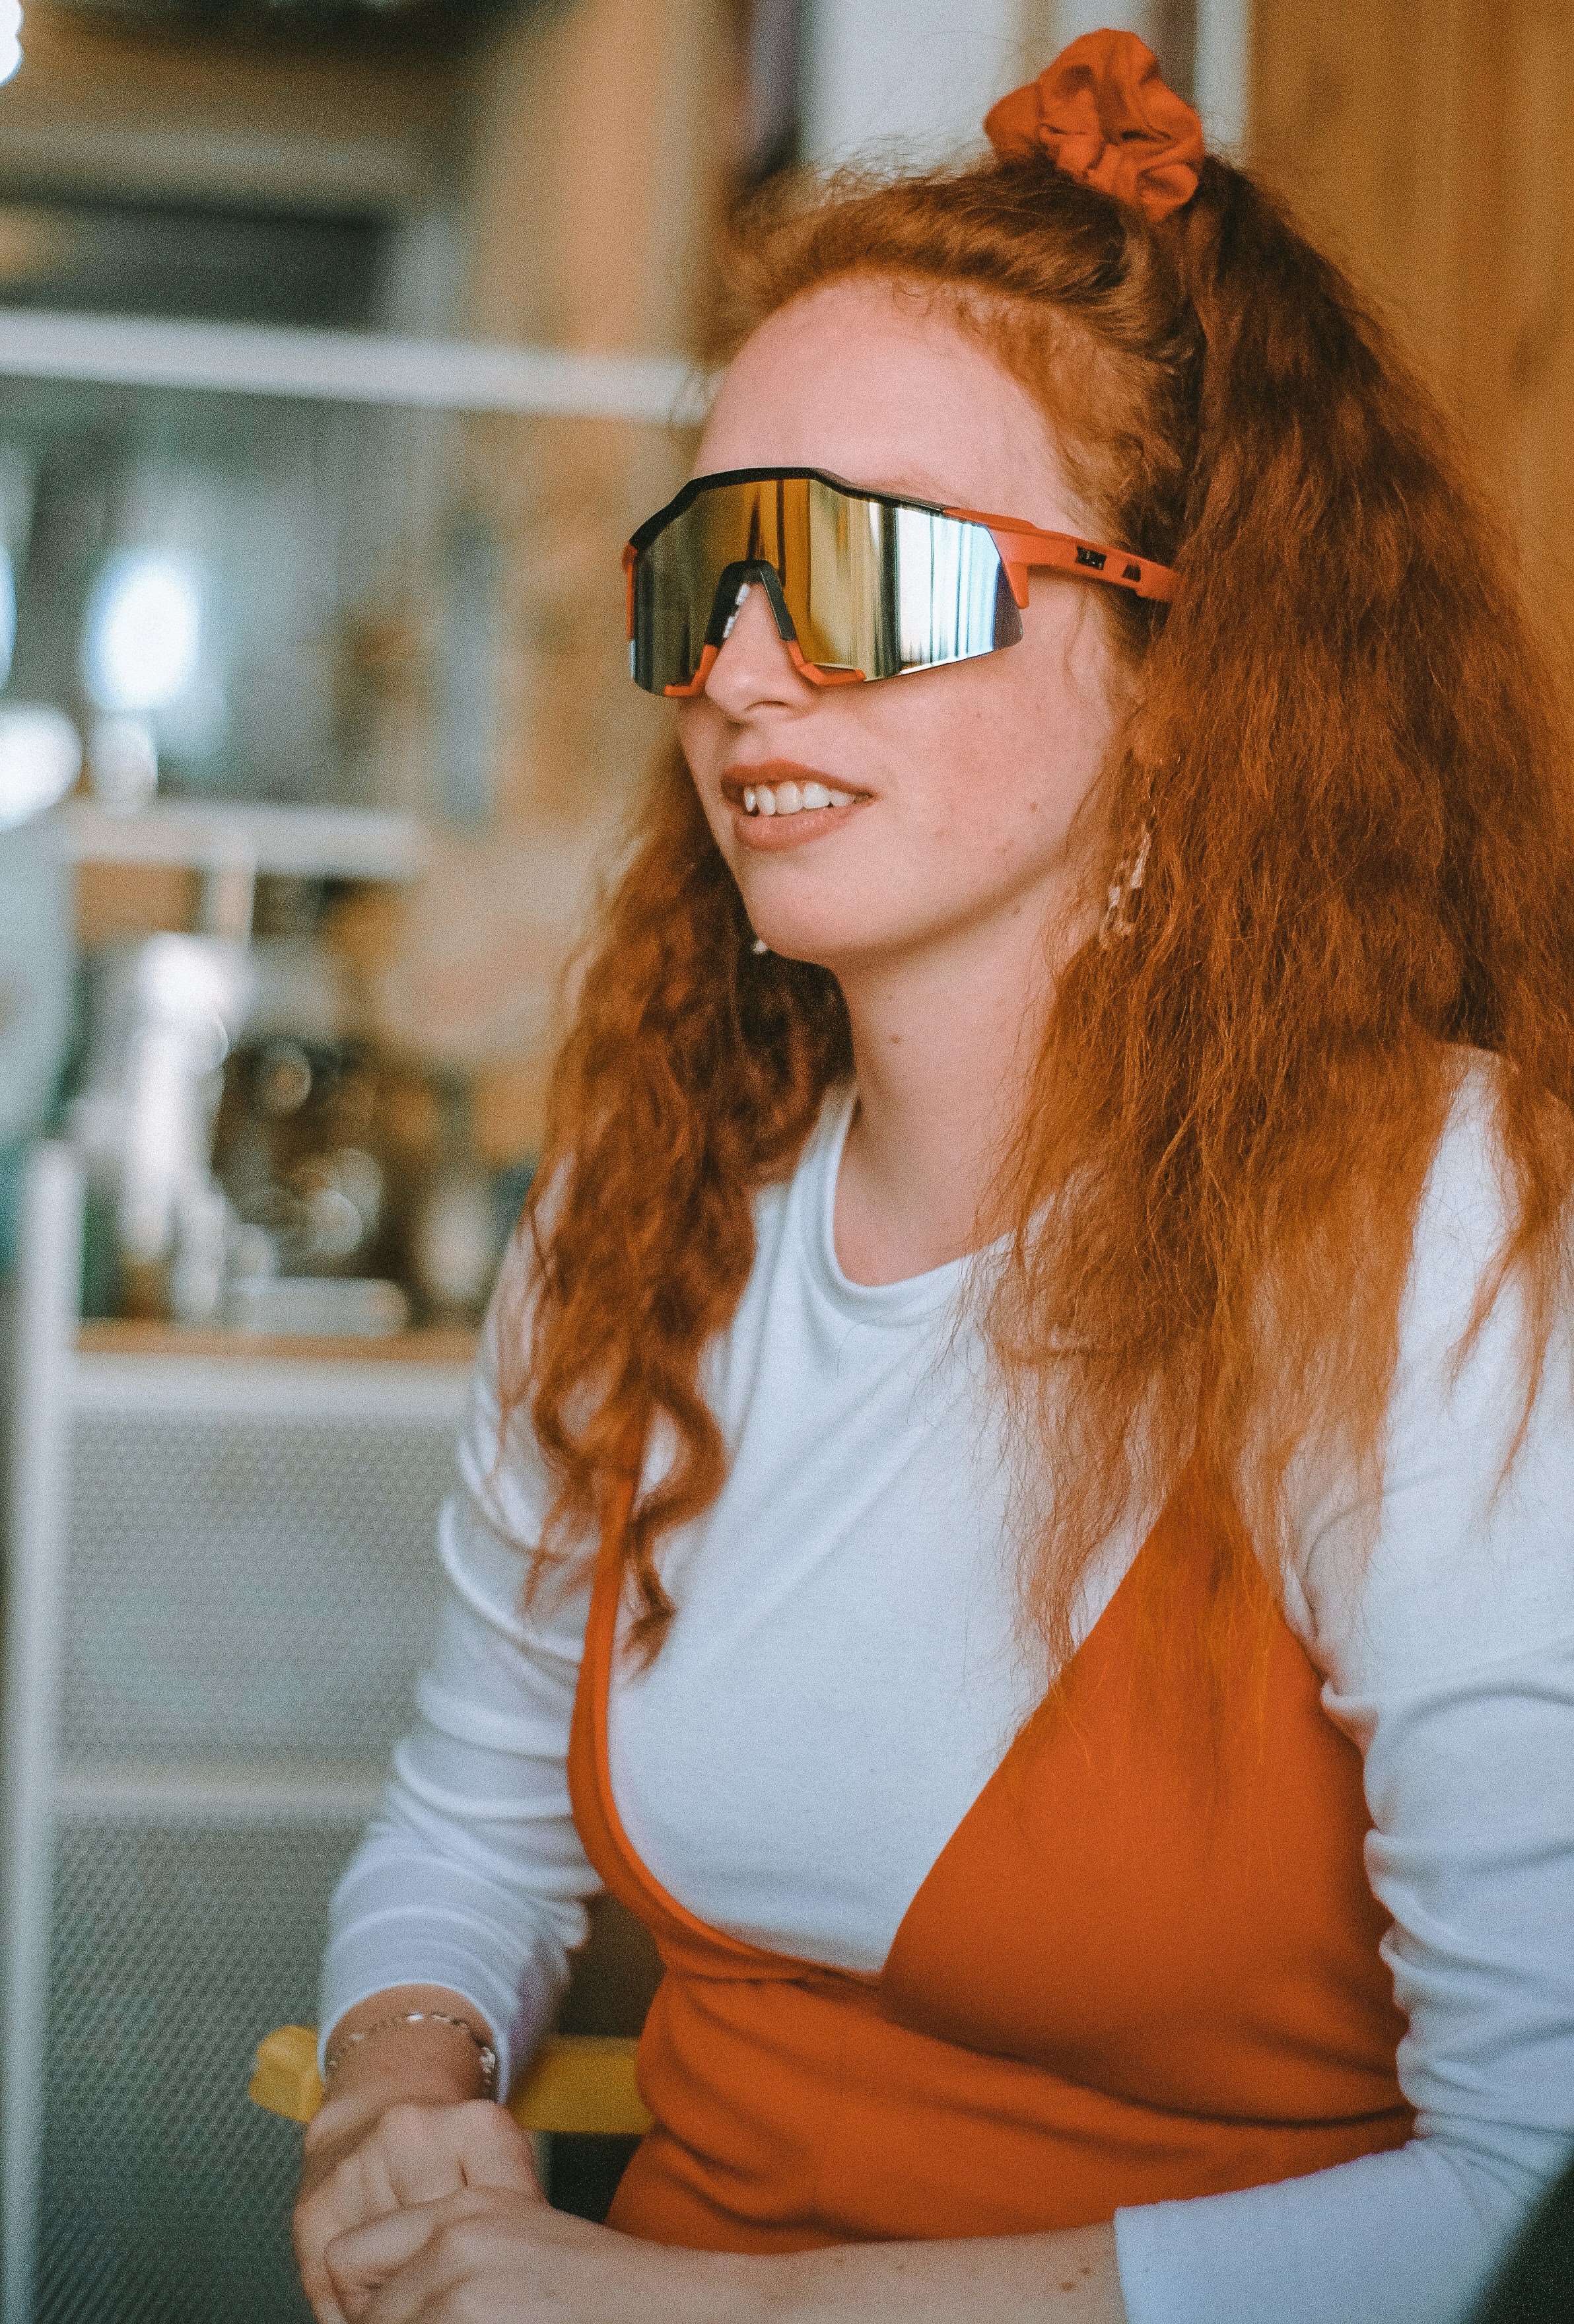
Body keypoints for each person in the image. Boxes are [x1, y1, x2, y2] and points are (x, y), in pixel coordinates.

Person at [292, 31, 1574, 2324]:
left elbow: (1532, 2192)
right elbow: (469, 1818)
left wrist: (695, 2314)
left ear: (1183, 667)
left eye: (859, 573)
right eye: (703, 574)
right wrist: (402, 2096)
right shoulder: (644, 1208)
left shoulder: (1432, 1222)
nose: (746, 673)